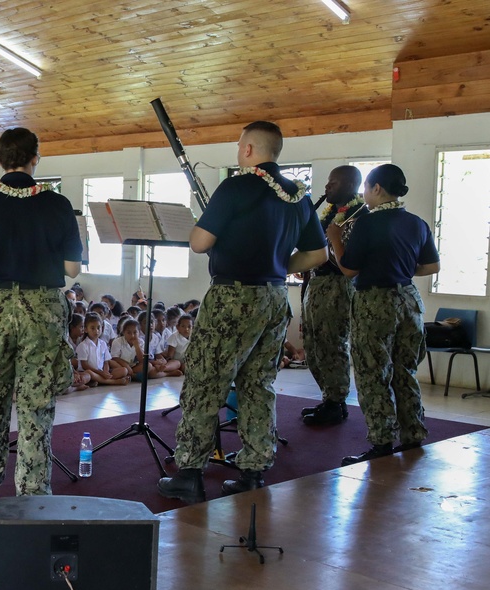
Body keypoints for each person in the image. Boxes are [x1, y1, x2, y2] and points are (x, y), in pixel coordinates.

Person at [157, 121, 327, 504]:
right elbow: (318, 255)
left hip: (232, 298)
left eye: (239, 145)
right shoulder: (298, 195)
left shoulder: (236, 187)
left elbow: (200, 243)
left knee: (205, 382)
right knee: (258, 384)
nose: (238, 150)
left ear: (249, 149)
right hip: (274, 297)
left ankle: (189, 472)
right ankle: (253, 470)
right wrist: (279, 265)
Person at [0, 127, 82, 497]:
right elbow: (73, 269)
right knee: (36, 405)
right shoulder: (57, 203)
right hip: (42, 309)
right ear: (36, 158)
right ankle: (32, 493)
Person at [327, 164, 440, 465]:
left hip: (375, 301)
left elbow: (349, 269)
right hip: (409, 300)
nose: (364, 194)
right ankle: (413, 433)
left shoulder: (368, 223)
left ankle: (381, 441)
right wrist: (402, 268)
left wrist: (335, 239)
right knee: (405, 370)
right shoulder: (417, 223)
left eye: (366, 188)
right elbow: (431, 267)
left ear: (377, 189)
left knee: (371, 372)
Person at [301, 166, 367, 426]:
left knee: (331, 343)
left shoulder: (358, 214)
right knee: (313, 344)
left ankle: (337, 402)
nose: (327, 187)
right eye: (328, 182)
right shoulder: (329, 214)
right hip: (317, 284)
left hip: (337, 287)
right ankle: (328, 398)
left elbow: (348, 258)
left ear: (351, 185)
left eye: (333, 182)